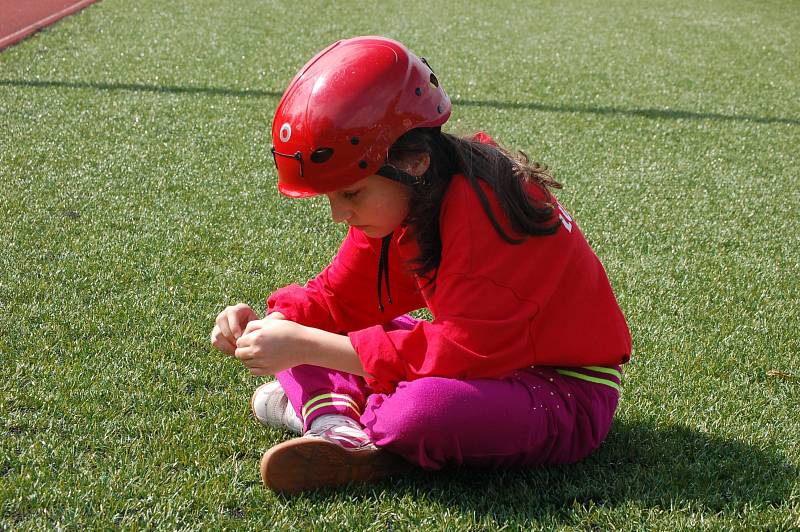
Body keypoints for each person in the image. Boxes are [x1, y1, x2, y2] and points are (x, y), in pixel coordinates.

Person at [210, 36, 632, 494]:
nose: (338, 213)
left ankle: (333, 413)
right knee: (304, 330)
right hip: (483, 364)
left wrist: (306, 346)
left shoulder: (486, 214)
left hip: (564, 390)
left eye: (350, 193)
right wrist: (268, 323)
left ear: (413, 163)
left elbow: (464, 353)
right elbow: (336, 298)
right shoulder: (414, 196)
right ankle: (339, 426)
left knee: (414, 414)